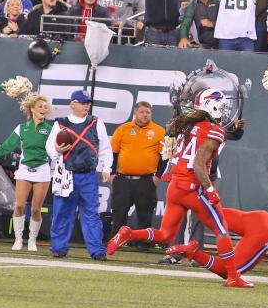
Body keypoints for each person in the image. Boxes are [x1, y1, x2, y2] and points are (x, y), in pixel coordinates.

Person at [108, 89, 252, 288]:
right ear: (211, 105)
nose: (225, 108)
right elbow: (199, 165)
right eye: (221, 104)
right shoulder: (212, 130)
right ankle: (233, 277)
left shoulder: (187, 125)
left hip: (176, 186)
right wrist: (210, 190)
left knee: (165, 234)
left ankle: (128, 233)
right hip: (193, 187)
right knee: (222, 230)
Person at [45, 89, 113, 260]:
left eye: (88, 103)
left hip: (88, 175)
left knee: (91, 212)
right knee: (62, 212)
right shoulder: (60, 124)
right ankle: (59, 247)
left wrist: (106, 168)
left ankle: (97, 250)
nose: (86, 106)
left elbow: (105, 147)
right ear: (72, 104)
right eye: (83, 103)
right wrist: (56, 150)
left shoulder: (96, 123)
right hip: (67, 174)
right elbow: (50, 146)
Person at [0, 93, 53, 251]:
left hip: (42, 171)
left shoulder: (50, 130)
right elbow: (5, 147)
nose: (43, 109)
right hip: (25, 171)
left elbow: (56, 151)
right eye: (40, 106)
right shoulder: (21, 128)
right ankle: (19, 239)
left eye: (45, 107)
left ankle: (32, 240)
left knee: (36, 209)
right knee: (20, 205)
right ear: (32, 109)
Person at [109, 102, 165, 243]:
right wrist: (112, 173)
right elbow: (113, 153)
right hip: (123, 178)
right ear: (135, 112)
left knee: (145, 213)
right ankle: (116, 240)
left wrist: (158, 176)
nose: (145, 115)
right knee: (119, 211)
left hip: (146, 180)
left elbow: (165, 156)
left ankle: (142, 243)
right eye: (142, 112)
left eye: (148, 112)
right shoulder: (123, 129)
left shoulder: (159, 131)